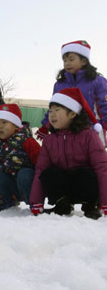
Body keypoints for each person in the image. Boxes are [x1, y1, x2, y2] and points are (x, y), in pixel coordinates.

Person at [30, 88, 107, 219]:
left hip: (83, 186)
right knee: (48, 174)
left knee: (84, 174)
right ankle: (62, 204)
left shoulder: (89, 136)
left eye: (57, 110)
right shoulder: (49, 140)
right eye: (50, 111)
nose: (52, 115)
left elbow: (102, 167)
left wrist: (105, 202)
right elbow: (40, 169)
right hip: (63, 187)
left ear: (72, 114)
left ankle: (90, 206)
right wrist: (36, 202)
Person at [36, 40, 107, 145]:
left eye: (71, 59)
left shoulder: (97, 81)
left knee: (94, 159)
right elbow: (53, 108)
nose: (67, 63)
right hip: (65, 132)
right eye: (64, 60)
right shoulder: (59, 84)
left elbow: (104, 106)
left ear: (84, 61)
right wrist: (46, 125)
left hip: (91, 130)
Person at [0, 104, 41, 212]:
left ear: (16, 125)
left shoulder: (26, 140)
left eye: (4, 122)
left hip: (28, 183)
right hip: (10, 184)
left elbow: (40, 161)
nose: (0, 126)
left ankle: (34, 203)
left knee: (25, 174)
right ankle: (7, 201)